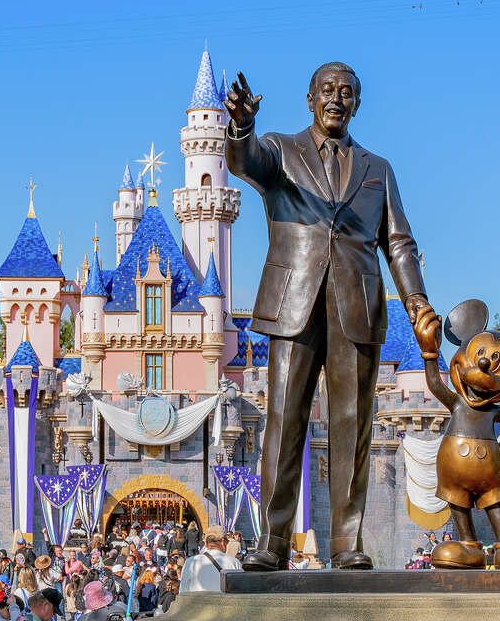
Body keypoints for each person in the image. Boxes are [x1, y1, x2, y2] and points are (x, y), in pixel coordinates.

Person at [225, 64, 428, 571]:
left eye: (346, 93)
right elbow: (243, 162)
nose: (335, 99)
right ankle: (272, 544)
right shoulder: (279, 149)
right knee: (283, 422)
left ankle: (347, 545)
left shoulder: (377, 168)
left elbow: (397, 241)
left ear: (356, 103)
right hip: (292, 300)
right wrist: (241, 128)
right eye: (326, 91)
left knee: (353, 425)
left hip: (356, 305)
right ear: (309, 98)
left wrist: (418, 300)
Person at [179, 529, 242, 593]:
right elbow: (240, 590)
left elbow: (182, 591)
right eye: (227, 542)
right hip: (223, 602)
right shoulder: (234, 562)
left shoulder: (190, 562)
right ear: (223, 542)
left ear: (206, 543)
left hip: (196, 602)